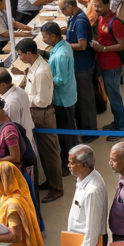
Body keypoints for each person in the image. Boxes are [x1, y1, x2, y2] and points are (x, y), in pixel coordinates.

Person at [16, 38, 63, 202]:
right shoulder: (33, 66)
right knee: (44, 152)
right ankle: (51, 181)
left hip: (42, 113)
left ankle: (57, 188)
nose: (20, 58)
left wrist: (23, 96)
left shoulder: (42, 71)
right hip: (36, 111)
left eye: (21, 55)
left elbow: (42, 100)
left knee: (50, 152)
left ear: (29, 53)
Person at [89, 0, 124, 137]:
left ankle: (122, 127)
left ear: (107, 5)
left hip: (112, 65)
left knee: (114, 96)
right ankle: (117, 121)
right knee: (111, 95)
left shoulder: (114, 22)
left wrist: (104, 49)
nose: (96, 8)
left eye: (99, 6)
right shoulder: (100, 19)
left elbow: (123, 45)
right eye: (95, 6)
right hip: (103, 63)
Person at [43, 23, 78, 172]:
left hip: (63, 99)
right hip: (67, 95)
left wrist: (45, 80)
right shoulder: (62, 46)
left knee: (65, 134)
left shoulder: (61, 54)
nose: (43, 39)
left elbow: (60, 79)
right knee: (70, 130)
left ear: (53, 36)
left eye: (45, 37)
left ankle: (66, 165)